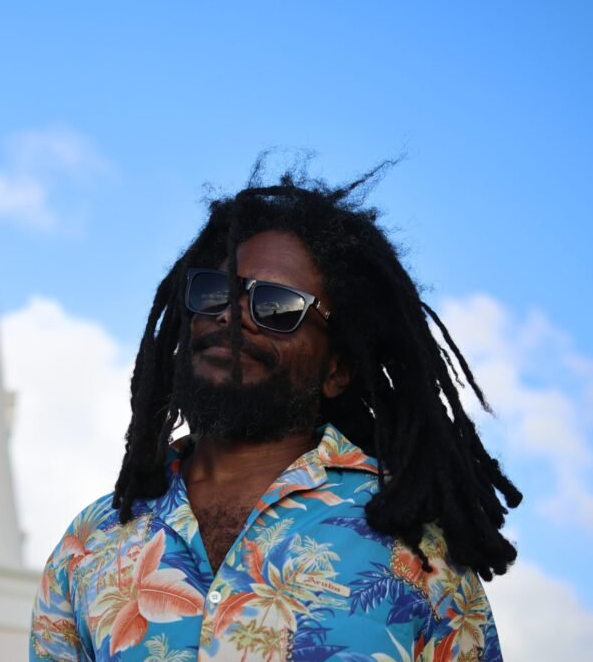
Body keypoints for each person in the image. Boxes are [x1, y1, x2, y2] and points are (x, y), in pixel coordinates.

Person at [29, 162, 521, 661]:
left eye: (279, 306)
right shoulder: (91, 542)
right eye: (215, 291)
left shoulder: (420, 549)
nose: (232, 315)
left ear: (338, 368)